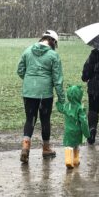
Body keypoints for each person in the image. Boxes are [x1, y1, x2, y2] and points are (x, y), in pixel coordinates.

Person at [17, 30, 65, 163]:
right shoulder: (53, 56)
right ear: (53, 42)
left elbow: (20, 70)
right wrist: (62, 98)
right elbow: (58, 80)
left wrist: (29, 80)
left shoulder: (27, 51)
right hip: (45, 93)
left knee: (30, 119)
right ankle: (46, 149)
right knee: (45, 120)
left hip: (29, 92)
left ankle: (25, 147)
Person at [56, 85, 90, 169]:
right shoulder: (80, 108)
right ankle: (75, 160)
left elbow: (60, 108)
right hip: (78, 131)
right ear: (79, 96)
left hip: (68, 131)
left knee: (68, 145)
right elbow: (84, 121)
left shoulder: (66, 106)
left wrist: (58, 102)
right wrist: (87, 133)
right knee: (76, 145)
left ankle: (68, 160)